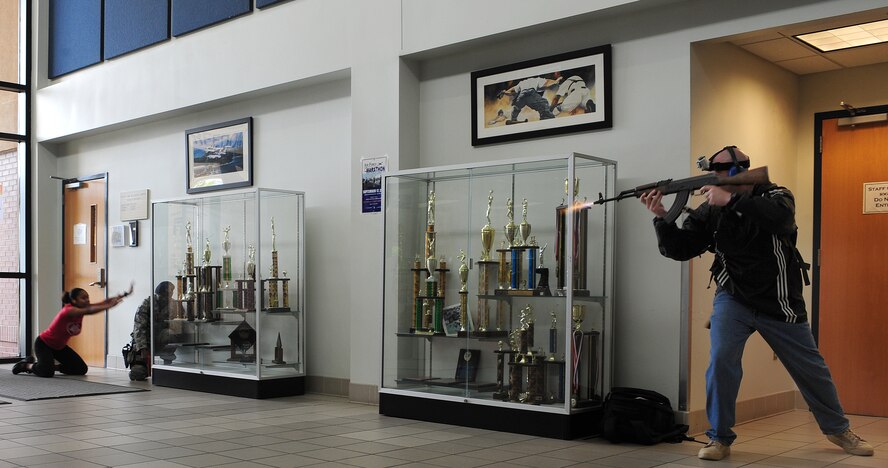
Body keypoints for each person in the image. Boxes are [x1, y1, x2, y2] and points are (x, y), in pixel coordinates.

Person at [639, 146, 874, 461]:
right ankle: (719, 438)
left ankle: (838, 429)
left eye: (720, 172)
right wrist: (662, 217)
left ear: (739, 172)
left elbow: (780, 220)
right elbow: (681, 249)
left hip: (779, 299)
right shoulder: (711, 208)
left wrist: (731, 200)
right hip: (732, 296)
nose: (715, 179)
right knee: (721, 362)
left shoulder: (776, 195)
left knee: (810, 368)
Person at [13, 283, 133, 377]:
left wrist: (124, 295)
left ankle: (49, 366)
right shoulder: (69, 311)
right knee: (46, 373)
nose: (87, 300)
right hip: (44, 344)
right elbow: (90, 310)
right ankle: (26, 365)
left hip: (59, 347)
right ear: (74, 301)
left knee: (81, 369)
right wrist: (109, 306)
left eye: (88, 297)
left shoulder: (82, 307)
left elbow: (103, 302)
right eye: (83, 298)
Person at [128, 281, 182, 380]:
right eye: (167, 293)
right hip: (146, 340)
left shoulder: (174, 305)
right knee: (138, 373)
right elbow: (139, 327)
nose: (169, 296)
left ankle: (167, 362)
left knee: (169, 333)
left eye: (171, 292)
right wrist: (142, 348)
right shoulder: (146, 304)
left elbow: (179, 321)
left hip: (161, 338)